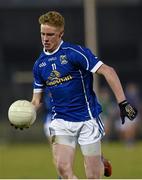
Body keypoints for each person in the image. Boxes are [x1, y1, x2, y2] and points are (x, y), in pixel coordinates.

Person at [13, 11, 137, 179]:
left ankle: (100, 161)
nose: (45, 39)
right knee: (63, 170)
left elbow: (108, 71)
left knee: (93, 176)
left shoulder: (75, 53)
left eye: (50, 34)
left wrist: (123, 102)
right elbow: (37, 100)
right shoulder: (39, 65)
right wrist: (27, 113)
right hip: (61, 121)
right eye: (43, 34)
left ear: (61, 34)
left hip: (87, 119)